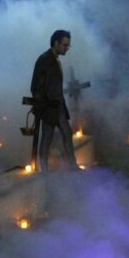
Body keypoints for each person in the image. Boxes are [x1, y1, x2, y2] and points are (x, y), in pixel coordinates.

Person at [30, 29, 79, 171]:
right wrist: (43, 107)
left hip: (59, 107)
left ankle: (73, 166)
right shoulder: (44, 60)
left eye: (68, 45)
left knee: (67, 133)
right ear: (56, 43)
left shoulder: (55, 60)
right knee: (47, 139)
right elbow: (35, 87)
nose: (67, 48)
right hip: (49, 109)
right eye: (65, 45)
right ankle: (44, 171)